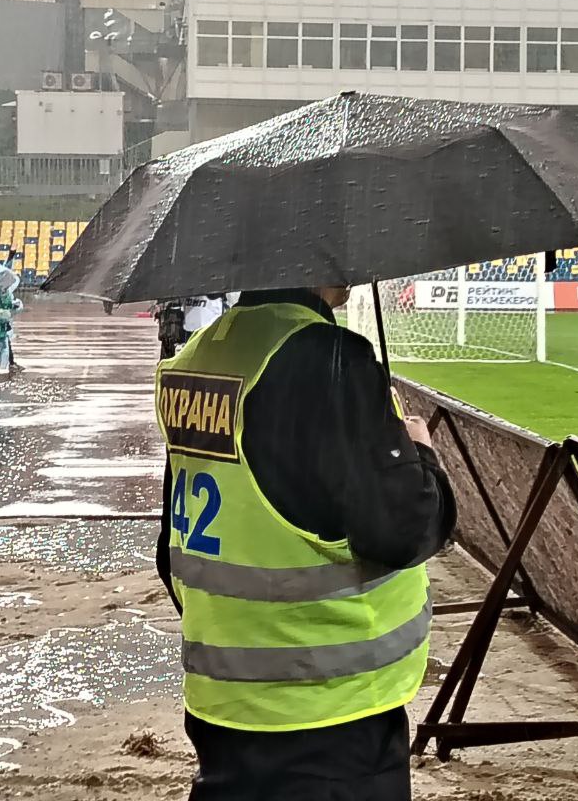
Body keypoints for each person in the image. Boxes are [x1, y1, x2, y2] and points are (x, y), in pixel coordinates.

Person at [155, 286, 455, 800]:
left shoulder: (201, 354)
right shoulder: (330, 358)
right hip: (331, 703)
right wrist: (422, 456)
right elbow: (407, 529)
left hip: (222, 700)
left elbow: (173, 547)